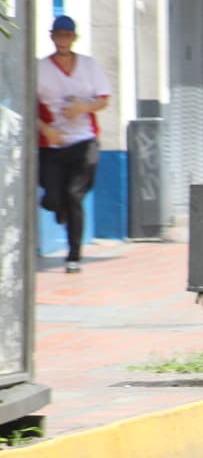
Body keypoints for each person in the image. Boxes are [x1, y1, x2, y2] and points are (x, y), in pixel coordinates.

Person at [37, 15, 111, 274]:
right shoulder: (40, 69)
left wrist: (84, 106)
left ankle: (74, 254)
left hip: (83, 141)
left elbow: (104, 100)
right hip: (52, 145)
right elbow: (26, 103)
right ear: (52, 36)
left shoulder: (89, 67)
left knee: (74, 195)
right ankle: (60, 209)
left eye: (67, 35)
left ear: (74, 38)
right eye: (59, 35)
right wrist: (45, 129)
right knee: (53, 199)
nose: (63, 40)